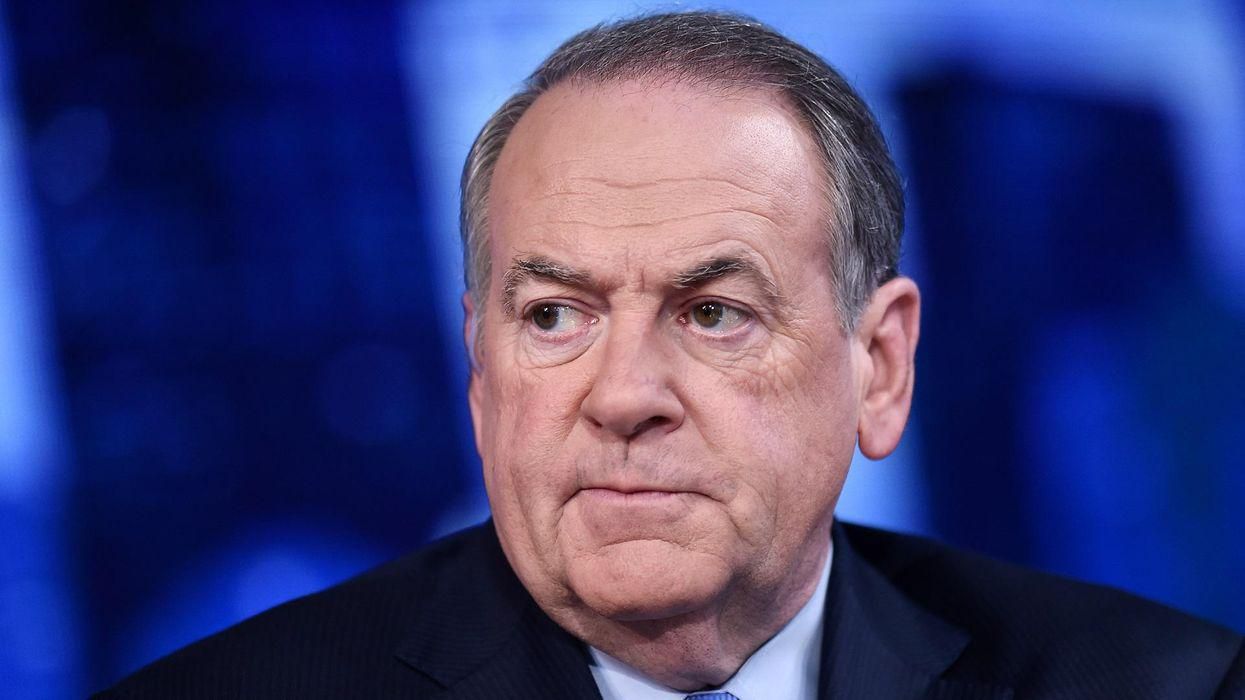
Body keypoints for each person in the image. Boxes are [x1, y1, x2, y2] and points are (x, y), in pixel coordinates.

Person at [98, 11, 1243, 699]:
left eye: (713, 313)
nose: (625, 396)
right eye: (556, 316)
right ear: (482, 375)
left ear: (881, 366)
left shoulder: (1161, 685)